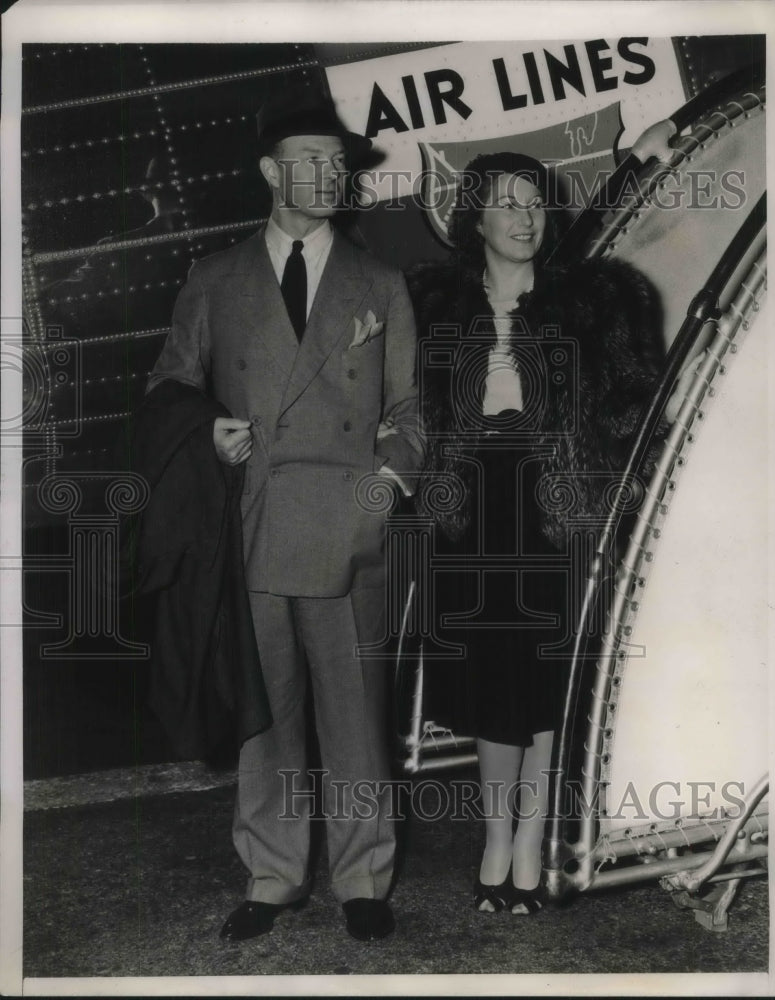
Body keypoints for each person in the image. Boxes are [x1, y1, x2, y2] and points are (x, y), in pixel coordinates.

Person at [146, 89, 423, 942]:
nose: (324, 175)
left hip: (350, 528)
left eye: (336, 164)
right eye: (307, 161)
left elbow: (411, 407)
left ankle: (363, 875)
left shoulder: (380, 281)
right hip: (253, 520)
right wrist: (207, 433)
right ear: (270, 172)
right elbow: (168, 387)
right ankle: (272, 874)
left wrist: (388, 484)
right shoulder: (214, 278)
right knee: (264, 713)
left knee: (356, 711)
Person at [407, 152, 663, 915]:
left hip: (561, 509)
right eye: (506, 204)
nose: (523, 218)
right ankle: (496, 837)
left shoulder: (595, 300)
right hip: (471, 509)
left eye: (534, 204)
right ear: (474, 218)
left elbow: (635, 405)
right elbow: (401, 405)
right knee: (493, 678)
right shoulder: (429, 303)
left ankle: (532, 835)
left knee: (551, 677)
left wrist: (609, 483)